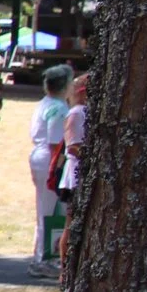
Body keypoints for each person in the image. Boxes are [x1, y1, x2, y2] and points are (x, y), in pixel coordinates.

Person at [26, 64, 74, 276]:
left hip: (40, 157)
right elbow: (56, 142)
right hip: (50, 159)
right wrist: (59, 170)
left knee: (45, 210)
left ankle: (42, 254)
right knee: (50, 211)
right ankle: (43, 259)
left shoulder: (45, 103)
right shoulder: (59, 108)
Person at [56, 71, 89, 268]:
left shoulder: (85, 112)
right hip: (75, 175)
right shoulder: (76, 113)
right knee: (71, 223)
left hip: (84, 173)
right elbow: (72, 146)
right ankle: (65, 266)